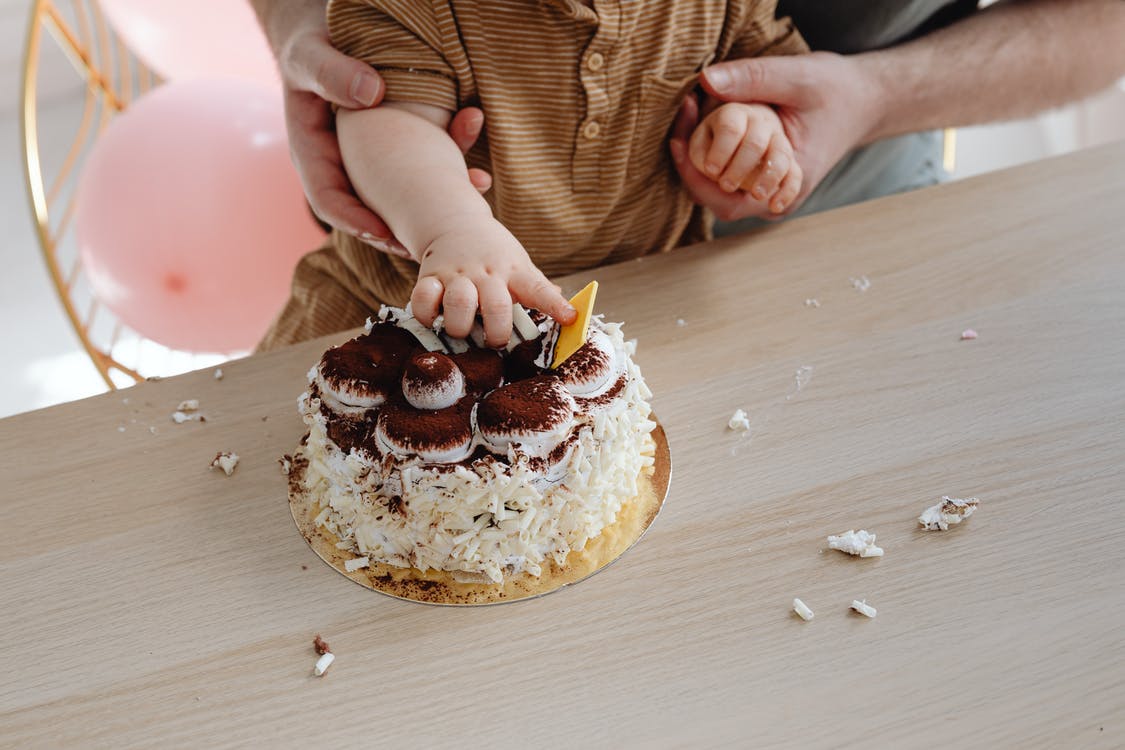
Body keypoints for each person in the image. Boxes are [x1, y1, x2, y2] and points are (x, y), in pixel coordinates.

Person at [250, 0, 1125, 345]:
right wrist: (453, 229)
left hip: (648, 295)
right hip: (400, 296)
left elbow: (749, 83)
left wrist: (749, 139)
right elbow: (386, 121)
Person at [255, 0, 809, 349]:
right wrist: (453, 227)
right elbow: (390, 118)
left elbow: (756, 73)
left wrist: (747, 127)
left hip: (638, 300)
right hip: (386, 301)